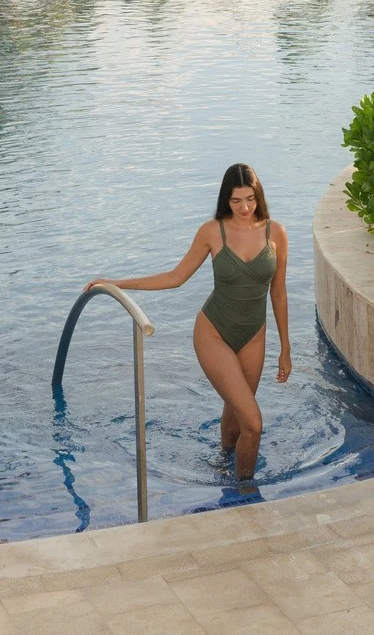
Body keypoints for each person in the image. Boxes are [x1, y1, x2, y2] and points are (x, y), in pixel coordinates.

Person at [92, 163, 291, 482]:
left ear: (259, 196)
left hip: (254, 337)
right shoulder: (212, 232)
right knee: (253, 424)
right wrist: (117, 283)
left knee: (236, 424)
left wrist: (285, 349)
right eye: (236, 200)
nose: (244, 208)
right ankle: (245, 493)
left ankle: (222, 464)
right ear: (226, 199)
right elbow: (176, 277)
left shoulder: (275, 232)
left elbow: (278, 293)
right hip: (214, 334)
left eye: (250, 199)